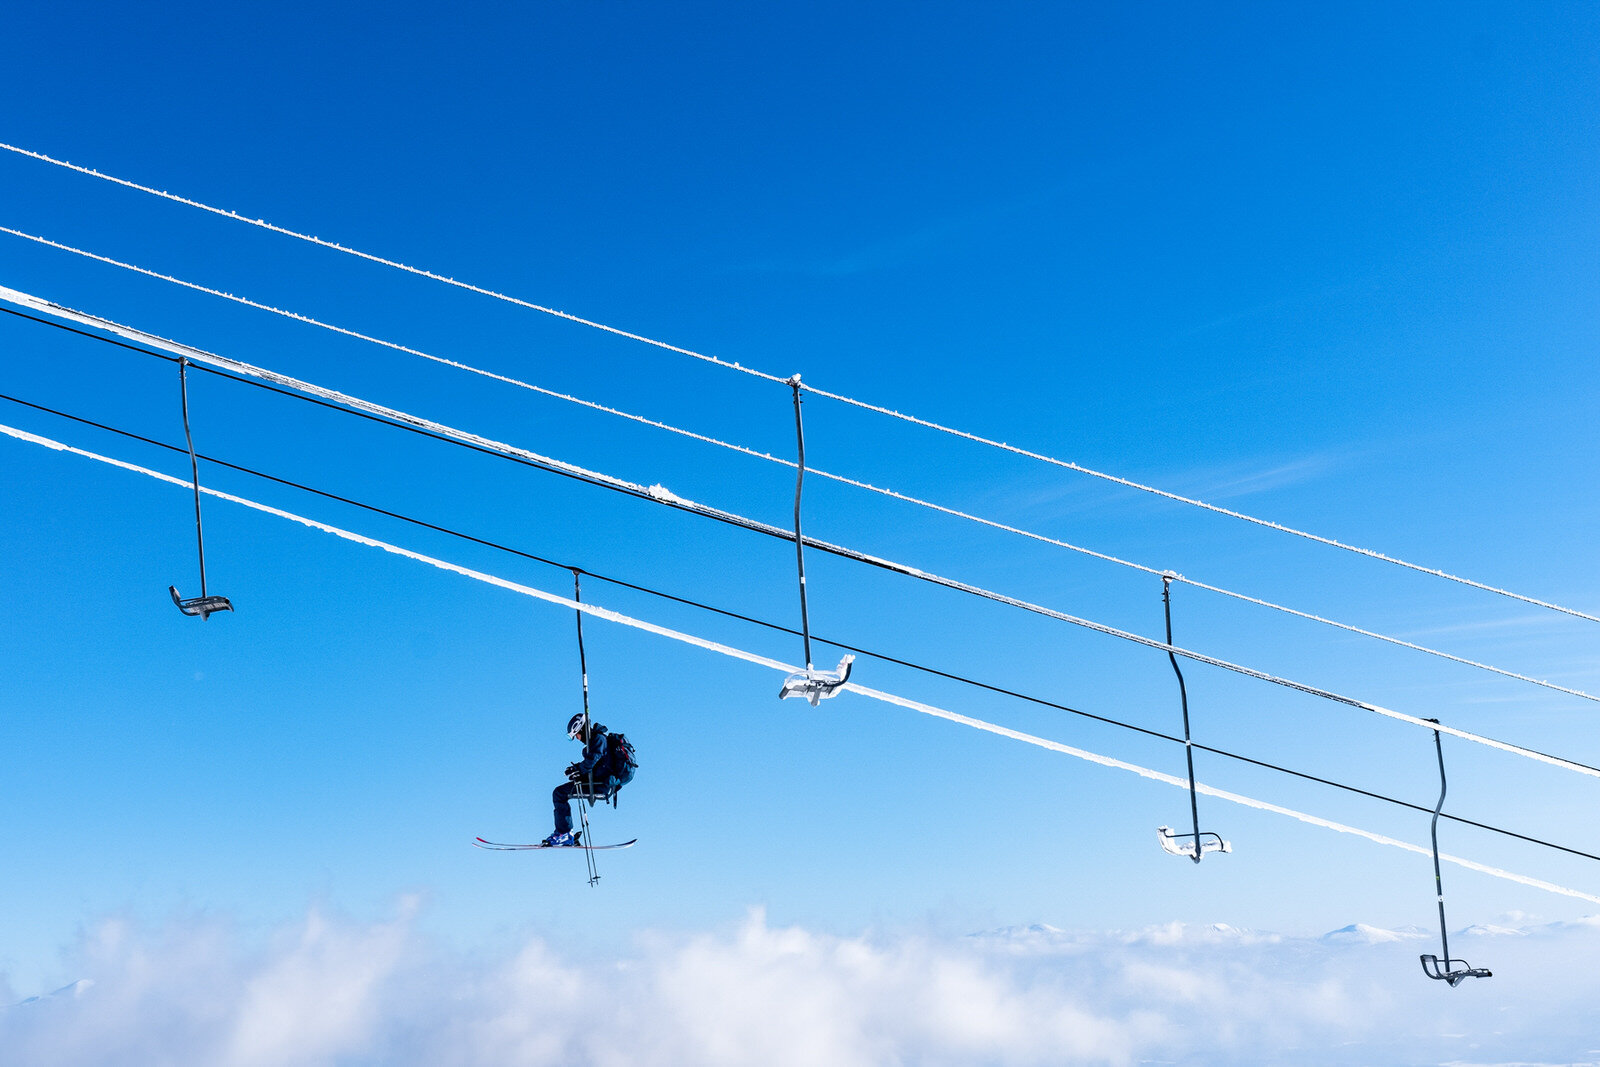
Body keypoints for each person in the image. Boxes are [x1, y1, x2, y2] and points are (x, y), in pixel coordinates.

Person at [543, 713, 627, 847]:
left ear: (581, 729)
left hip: (601, 784)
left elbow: (592, 762)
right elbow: (594, 764)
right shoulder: (595, 742)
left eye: (577, 734)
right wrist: (576, 770)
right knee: (559, 793)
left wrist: (578, 769)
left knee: (559, 793)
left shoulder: (599, 739)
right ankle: (565, 833)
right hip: (597, 781)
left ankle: (564, 834)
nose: (577, 738)